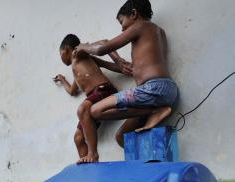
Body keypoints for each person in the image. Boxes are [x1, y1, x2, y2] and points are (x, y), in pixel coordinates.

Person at [75, 0, 178, 156]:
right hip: (166, 89)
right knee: (122, 137)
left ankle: (155, 110)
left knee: (95, 111)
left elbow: (102, 48)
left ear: (134, 14)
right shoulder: (158, 33)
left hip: (152, 89)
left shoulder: (140, 26)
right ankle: (144, 163)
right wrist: (110, 63)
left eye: (122, 22)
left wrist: (83, 46)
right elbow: (139, 66)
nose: (122, 28)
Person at [54, 34, 131, 163]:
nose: (61, 57)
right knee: (78, 138)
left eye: (60, 53)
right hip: (94, 97)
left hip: (103, 90)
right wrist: (63, 80)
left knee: (82, 110)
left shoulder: (78, 53)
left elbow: (104, 42)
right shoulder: (78, 66)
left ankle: (93, 154)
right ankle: (90, 169)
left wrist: (120, 62)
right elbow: (73, 91)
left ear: (66, 49)